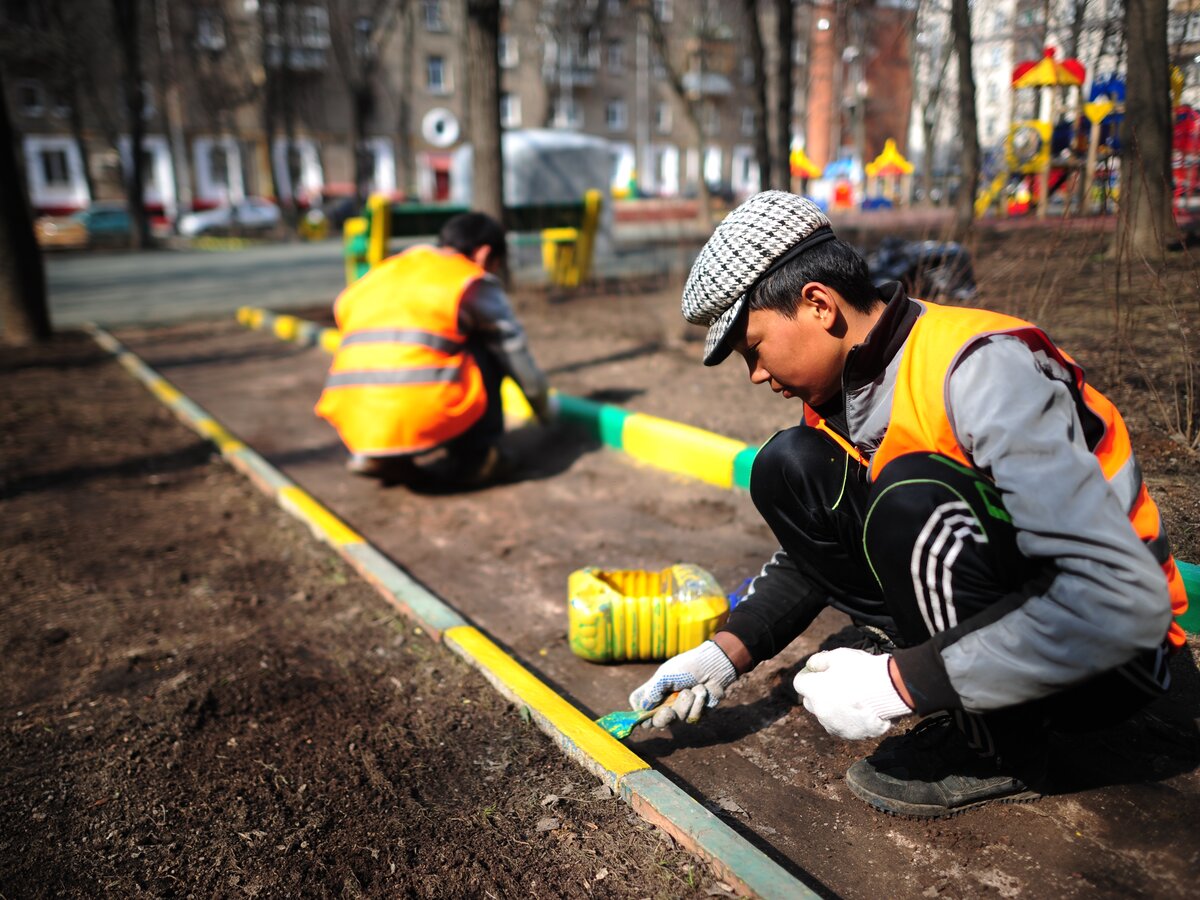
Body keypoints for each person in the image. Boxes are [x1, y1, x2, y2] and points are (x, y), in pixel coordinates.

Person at [628, 190, 1189, 818]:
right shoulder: (846, 394)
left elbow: (1116, 602)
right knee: (790, 467)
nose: (754, 374)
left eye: (753, 348)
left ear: (818, 304)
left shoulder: (980, 370)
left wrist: (896, 684)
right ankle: (930, 660)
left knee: (909, 494)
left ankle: (996, 747)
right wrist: (724, 654)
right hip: (1012, 617)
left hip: (1112, 657)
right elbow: (809, 556)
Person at [315, 211, 553, 488]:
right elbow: (515, 353)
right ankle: (479, 457)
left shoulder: (383, 273)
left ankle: (377, 454)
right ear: (485, 255)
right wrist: (544, 410)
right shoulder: (467, 280)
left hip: (351, 416)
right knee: (485, 344)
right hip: (419, 411)